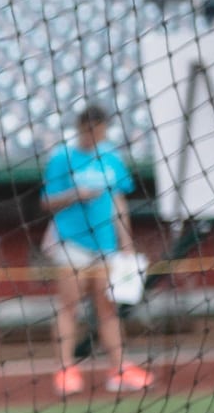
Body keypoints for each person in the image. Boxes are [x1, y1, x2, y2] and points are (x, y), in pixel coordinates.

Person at [41, 105, 152, 395]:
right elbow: (46, 202)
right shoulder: (62, 158)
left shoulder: (111, 157)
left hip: (106, 245)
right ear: (81, 128)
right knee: (69, 307)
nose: (95, 135)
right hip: (72, 243)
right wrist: (75, 195)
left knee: (108, 308)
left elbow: (119, 202)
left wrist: (126, 243)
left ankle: (118, 369)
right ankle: (65, 369)